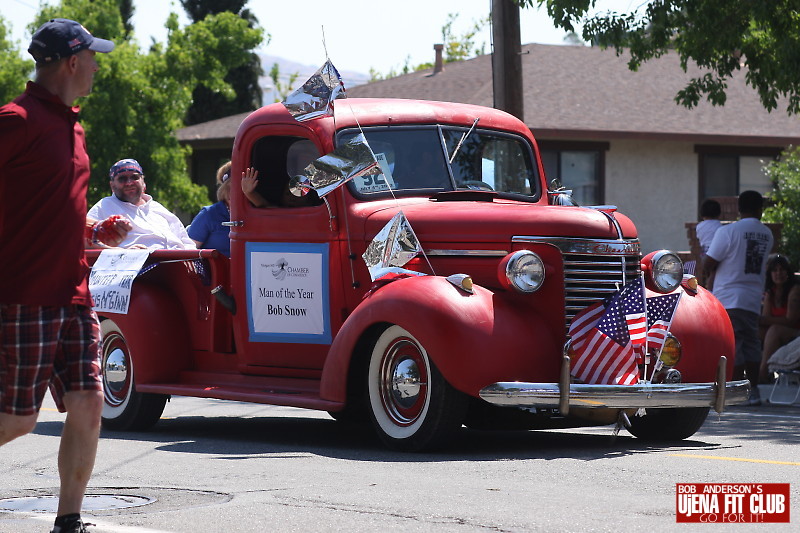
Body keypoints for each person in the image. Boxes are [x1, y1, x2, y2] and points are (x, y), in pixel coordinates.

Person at [0, 18, 116, 533]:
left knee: (89, 401)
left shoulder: (73, 124)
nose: (96, 67)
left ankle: (68, 521)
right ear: (73, 61)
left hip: (74, 290)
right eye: (93, 58)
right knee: (20, 419)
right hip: (25, 292)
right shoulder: (15, 120)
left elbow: (49, 203)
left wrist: (92, 228)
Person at [704, 190, 774, 405]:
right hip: (753, 298)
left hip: (728, 296)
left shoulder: (729, 232)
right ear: (760, 210)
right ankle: (752, 391)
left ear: (738, 209)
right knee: (752, 344)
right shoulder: (768, 234)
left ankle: (735, 392)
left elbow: (709, 263)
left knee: (733, 345)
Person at [88, 159, 196, 250]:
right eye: (122, 178)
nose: (129, 183)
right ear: (112, 185)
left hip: (179, 263)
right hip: (137, 269)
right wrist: (121, 253)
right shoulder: (103, 206)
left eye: (134, 177)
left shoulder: (158, 208)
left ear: (143, 181)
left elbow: (187, 243)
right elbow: (85, 243)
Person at [759, 254, 800, 382]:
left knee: (774, 330)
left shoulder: (795, 289)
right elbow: (765, 319)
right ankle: (742, 371)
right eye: (774, 270)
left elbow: (791, 320)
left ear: (788, 272)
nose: (778, 273)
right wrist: (761, 321)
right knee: (753, 330)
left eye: (782, 269)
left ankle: (762, 375)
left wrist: (763, 320)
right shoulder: (770, 293)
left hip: (795, 332)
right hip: (776, 332)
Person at [188, 161, 232, 256]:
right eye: (232, 188)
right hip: (215, 270)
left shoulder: (254, 213)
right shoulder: (209, 214)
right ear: (225, 190)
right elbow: (188, 249)